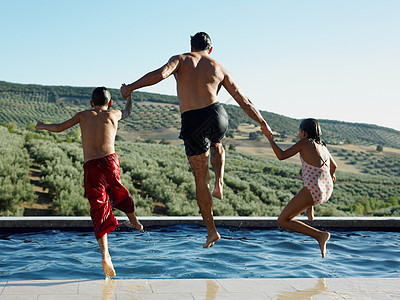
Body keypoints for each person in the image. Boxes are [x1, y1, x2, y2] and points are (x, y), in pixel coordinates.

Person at [121, 32, 272, 248]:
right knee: (217, 142)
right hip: (216, 113)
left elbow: (161, 74)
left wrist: (130, 87)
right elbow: (242, 98)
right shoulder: (218, 66)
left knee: (201, 178)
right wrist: (263, 123)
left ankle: (212, 232)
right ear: (210, 49)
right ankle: (219, 181)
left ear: (191, 46)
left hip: (192, 119)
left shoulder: (181, 59)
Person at [35, 87, 143, 277]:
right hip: (110, 162)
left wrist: (42, 125)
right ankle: (134, 222)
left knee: (99, 208)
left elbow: (59, 127)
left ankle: (105, 255)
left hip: (91, 166)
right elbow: (127, 112)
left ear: (91, 103)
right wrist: (129, 97)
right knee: (120, 192)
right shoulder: (113, 114)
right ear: (109, 103)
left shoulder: (83, 115)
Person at [262, 118, 337, 258]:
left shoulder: (305, 142)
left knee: (282, 220)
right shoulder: (323, 146)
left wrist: (270, 139)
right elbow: (334, 167)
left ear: (304, 132)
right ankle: (310, 209)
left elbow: (281, 156)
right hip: (327, 188)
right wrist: (331, 176)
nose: (298, 133)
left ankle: (320, 236)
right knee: (309, 178)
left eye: (299, 130)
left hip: (315, 189)